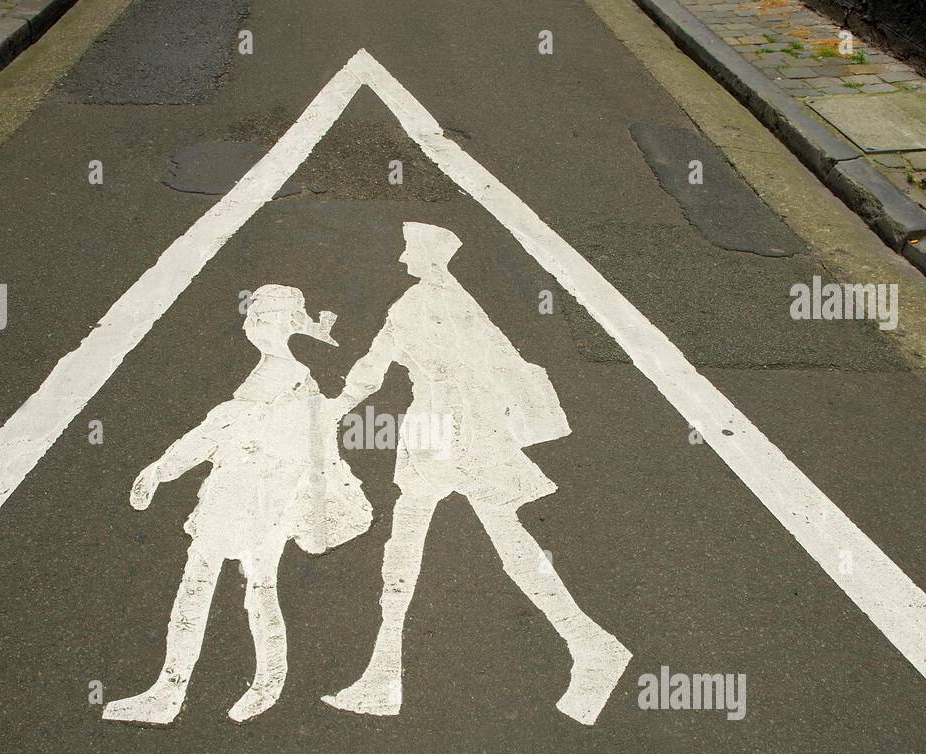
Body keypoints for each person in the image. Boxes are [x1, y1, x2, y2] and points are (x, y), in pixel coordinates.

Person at [322, 223, 631, 725]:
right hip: (462, 428)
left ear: (427, 257)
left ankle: (384, 676)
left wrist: (335, 409)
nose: (401, 259)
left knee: (412, 544)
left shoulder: (418, 305)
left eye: (408, 251)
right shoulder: (456, 302)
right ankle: (590, 643)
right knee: (483, 539)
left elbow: (373, 369)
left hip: (444, 429)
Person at [103, 285, 371, 726]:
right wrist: (163, 468)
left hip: (262, 501)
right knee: (200, 586)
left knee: (258, 589)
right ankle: (170, 690)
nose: (249, 323)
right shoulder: (271, 371)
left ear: (282, 323)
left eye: (259, 317)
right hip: (229, 493)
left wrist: (165, 468)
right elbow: (219, 428)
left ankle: (266, 682)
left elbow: (235, 433)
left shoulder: (291, 376)